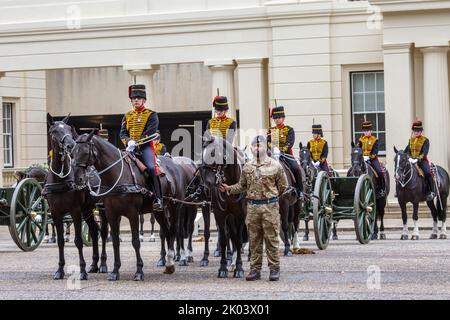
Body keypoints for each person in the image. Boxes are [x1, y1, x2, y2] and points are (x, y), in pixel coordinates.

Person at [220, 135, 288, 281]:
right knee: (254, 240)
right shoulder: (247, 166)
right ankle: (255, 270)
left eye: (260, 145)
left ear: (265, 147)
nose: (257, 148)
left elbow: (283, 186)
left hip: (270, 207)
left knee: (272, 240)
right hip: (252, 208)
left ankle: (274, 269)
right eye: (254, 146)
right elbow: (241, 186)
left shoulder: (275, 165)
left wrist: (272, 197)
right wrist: (229, 188)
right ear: (251, 148)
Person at [120, 84, 163, 211]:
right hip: (130, 148)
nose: (136, 100)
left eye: (138, 98)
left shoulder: (151, 114)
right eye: (134, 98)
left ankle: (158, 198)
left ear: (144, 100)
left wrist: (137, 143)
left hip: (145, 148)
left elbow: (150, 132)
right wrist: (128, 142)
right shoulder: (127, 116)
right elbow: (122, 133)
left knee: (150, 167)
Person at [267, 106, 303, 198]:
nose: (277, 120)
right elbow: (268, 142)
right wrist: (273, 148)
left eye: (279, 118)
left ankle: (299, 190)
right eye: (275, 118)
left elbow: (290, 143)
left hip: (286, 155)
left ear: (283, 118)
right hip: (274, 155)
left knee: (296, 169)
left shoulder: (289, 129)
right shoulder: (271, 130)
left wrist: (281, 150)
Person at [404, 120, 435, 201]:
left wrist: (417, 159)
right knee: (402, 171)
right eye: (415, 130)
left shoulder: (425, 140)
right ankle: (401, 191)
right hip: (411, 161)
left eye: (418, 131)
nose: (416, 132)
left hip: (422, 161)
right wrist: (409, 157)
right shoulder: (411, 140)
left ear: (421, 131)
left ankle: (431, 191)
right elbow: (407, 151)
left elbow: (425, 152)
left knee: (428, 172)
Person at [357, 120, 386, 198]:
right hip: (362, 160)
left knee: (379, 172)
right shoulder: (360, 140)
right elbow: (358, 150)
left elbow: (375, 152)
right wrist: (361, 156)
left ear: (371, 131)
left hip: (372, 159)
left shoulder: (374, 140)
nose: (366, 132)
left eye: (368, 130)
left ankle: (381, 189)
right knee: (353, 170)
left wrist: (369, 157)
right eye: (365, 130)